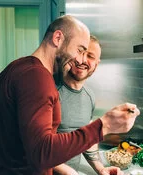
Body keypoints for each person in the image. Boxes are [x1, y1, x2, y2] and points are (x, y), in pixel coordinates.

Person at [0, 15, 140, 175]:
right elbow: (42, 153)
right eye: (79, 50)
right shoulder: (37, 78)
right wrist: (104, 125)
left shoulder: (16, 68)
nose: (79, 59)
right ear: (58, 38)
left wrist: (99, 167)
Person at [53, 35, 122, 175]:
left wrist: (100, 168)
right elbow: (36, 146)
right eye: (79, 53)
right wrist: (68, 172)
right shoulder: (50, 90)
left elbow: (87, 139)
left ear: (97, 63)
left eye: (90, 56)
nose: (83, 60)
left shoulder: (89, 96)